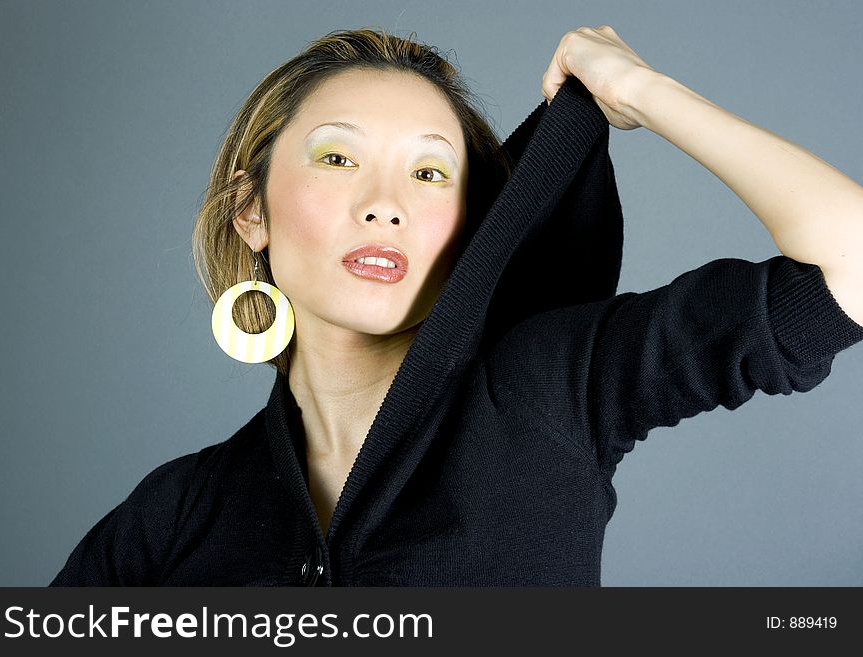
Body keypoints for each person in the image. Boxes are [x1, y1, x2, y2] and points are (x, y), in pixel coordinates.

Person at [50, 26, 863, 586]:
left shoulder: (549, 389)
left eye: (430, 173)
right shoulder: (177, 509)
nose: (386, 204)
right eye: (338, 157)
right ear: (250, 211)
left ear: (468, 225)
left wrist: (642, 91)